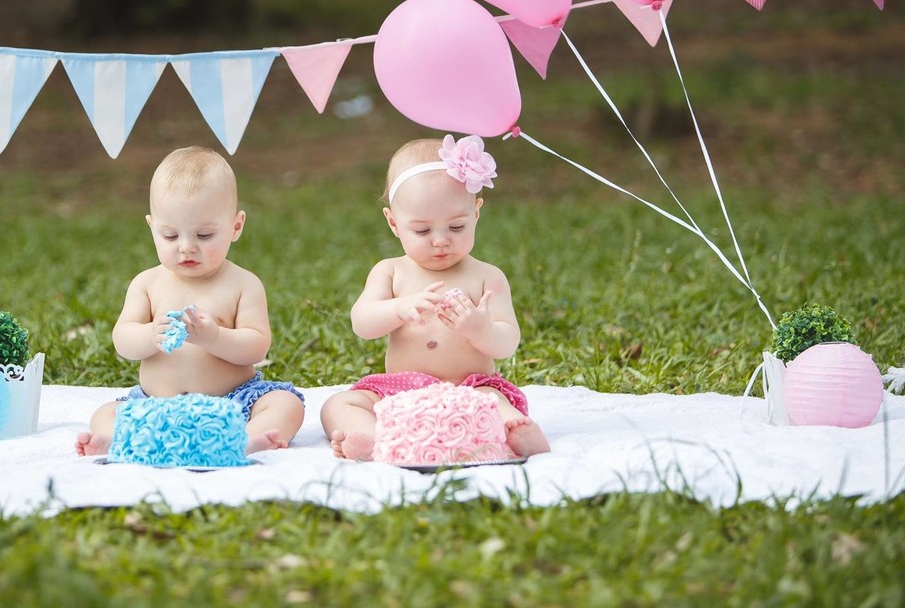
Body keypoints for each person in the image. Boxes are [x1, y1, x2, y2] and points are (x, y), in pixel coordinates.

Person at [320, 134, 550, 461]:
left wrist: (480, 329)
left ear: (476, 212)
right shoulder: (390, 272)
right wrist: (399, 308)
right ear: (393, 223)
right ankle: (374, 439)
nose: (440, 241)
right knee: (338, 405)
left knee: (494, 401)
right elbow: (362, 323)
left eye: (456, 227)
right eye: (423, 231)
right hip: (400, 391)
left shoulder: (486, 276)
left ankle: (514, 433)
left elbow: (508, 342)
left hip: (469, 389)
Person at [75, 146, 305, 457]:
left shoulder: (243, 285)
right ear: (152, 227)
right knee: (104, 413)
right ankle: (121, 439)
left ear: (236, 227)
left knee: (285, 404)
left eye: (204, 235)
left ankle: (241, 440)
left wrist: (214, 337)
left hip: (234, 402)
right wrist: (149, 335)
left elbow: (257, 346)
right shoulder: (147, 283)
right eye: (170, 236)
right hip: (156, 405)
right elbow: (122, 341)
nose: (186, 248)